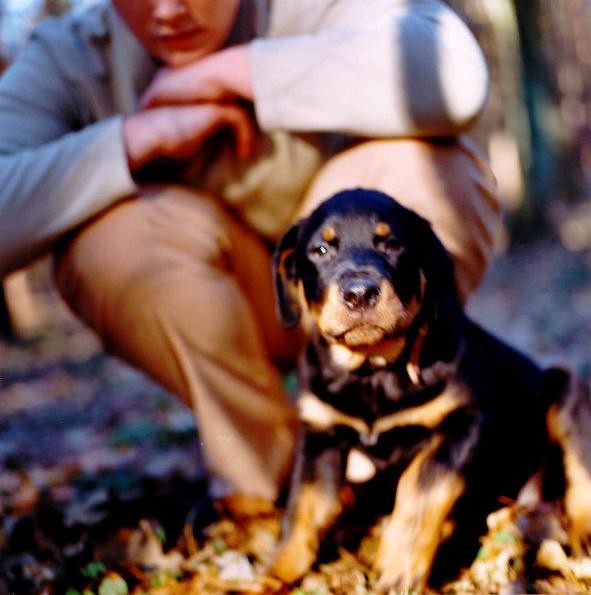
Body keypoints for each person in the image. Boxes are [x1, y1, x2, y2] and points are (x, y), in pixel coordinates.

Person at [0, 0, 499, 503]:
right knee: (104, 242)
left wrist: (234, 72)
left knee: (432, 167)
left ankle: (415, 437)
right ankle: (270, 477)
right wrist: (130, 142)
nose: (170, 10)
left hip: (354, 289)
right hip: (232, 301)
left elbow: (453, 73)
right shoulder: (69, 58)